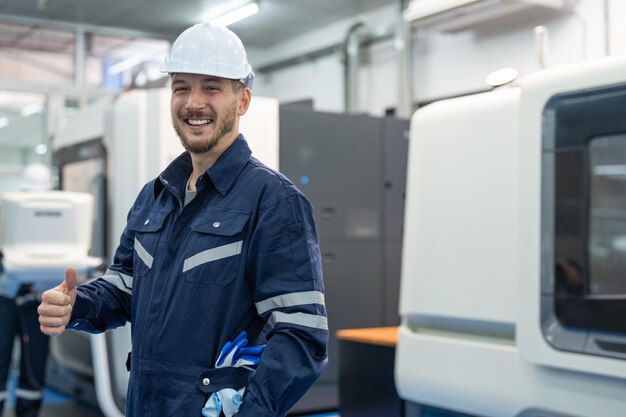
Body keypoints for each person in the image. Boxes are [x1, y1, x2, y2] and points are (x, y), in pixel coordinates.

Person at [37, 22, 328, 417]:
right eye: (181, 87)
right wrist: (76, 305)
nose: (194, 102)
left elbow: (301, 335)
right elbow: (123, 288)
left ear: (242, 100)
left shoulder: (274, 201)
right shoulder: (153, 197)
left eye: (211, 87)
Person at [0, 163, 54, 417]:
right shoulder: (7, 215)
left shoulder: (58, 219)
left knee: (35, 363)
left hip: (38, 300)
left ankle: (29, 412)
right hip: (6, 298)